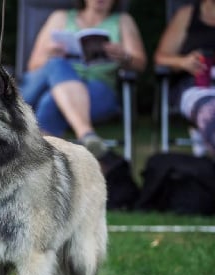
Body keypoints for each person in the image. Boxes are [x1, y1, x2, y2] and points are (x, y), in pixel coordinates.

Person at [19, 0, 146, 158]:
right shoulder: (60, 17)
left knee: (51, 100)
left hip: (97, 88)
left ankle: (45, 166)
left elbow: (140, 64)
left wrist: (124, 56)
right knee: (56, 64)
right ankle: (86, 133)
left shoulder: (122, 20)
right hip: (50, 80)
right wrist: (52, 54)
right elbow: (33, 65)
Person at [154, 0, 215, 158]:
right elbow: (161, 57)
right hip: (194, 86)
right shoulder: (187, 15)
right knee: (210, 111)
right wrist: (183, 62)